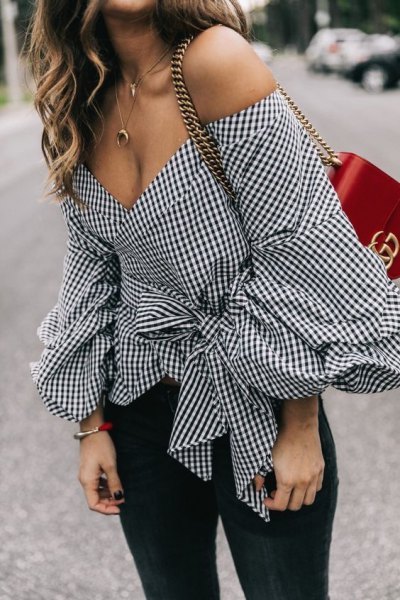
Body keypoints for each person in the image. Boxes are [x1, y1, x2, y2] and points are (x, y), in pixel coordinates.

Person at [28, 2, 400, 599]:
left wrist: (301, 423)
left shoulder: (214, 61)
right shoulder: (81, 97)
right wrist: (90, 425)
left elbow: (296, 252)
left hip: (258, 405)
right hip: (138, 411)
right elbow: (90, 276)